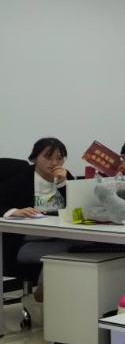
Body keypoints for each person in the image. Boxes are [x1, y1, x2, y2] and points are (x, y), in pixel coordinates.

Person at [0, 138, 75, 323]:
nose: (54, 163)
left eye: (59, 158)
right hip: (25, 242)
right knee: (74, 251)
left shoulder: (66, 177)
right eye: (48, 157)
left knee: (84, 247)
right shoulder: (22, 179)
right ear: (35, 158)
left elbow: (78, 206)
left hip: (59, 237)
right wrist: (13, 211)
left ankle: (44, 291)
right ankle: (43, 292)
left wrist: (63, 185)